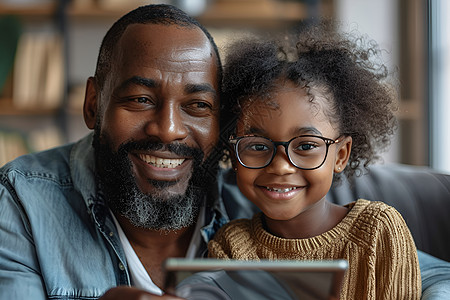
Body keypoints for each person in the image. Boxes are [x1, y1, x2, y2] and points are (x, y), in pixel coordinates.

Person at [0, 4, 448, 300]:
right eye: (139, 99)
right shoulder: (23, 202)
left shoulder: (261, 195)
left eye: (198, 106)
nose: (169, 129)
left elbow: (432, 277)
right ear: (94, 103)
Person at [207, 23, 420, 299]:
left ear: (340, 155)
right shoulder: (231, 247)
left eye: (306, 146)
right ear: (234, 155)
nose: (281, 166)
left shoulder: (380, 232)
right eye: (257, 146)